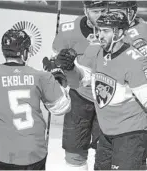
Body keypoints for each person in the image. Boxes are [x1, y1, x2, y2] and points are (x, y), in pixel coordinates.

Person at [77, 12, 147, 170]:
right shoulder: (96, 51)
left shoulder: (134, 61)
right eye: (99, 30)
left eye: (106, 31)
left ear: (119, 33)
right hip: (106, 131)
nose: (100, 35)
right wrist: (69, 68)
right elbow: (81, 78)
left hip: (130, 134)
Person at [42, 1, 108, 170]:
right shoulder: (68, 30)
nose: (100, 15)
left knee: (108, 154)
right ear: (85, 10)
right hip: (79, 96)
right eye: (95, 11)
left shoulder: (117, 29)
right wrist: (54, 67)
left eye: (103, 10)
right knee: (74, 151)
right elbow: (56, 60)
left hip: (108, 99)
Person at [0, 29, 71, 170]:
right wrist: (58, 79)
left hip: (3, 154)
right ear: (25, 52)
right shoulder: (41, 76)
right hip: (34, 153)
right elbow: (63, 107)